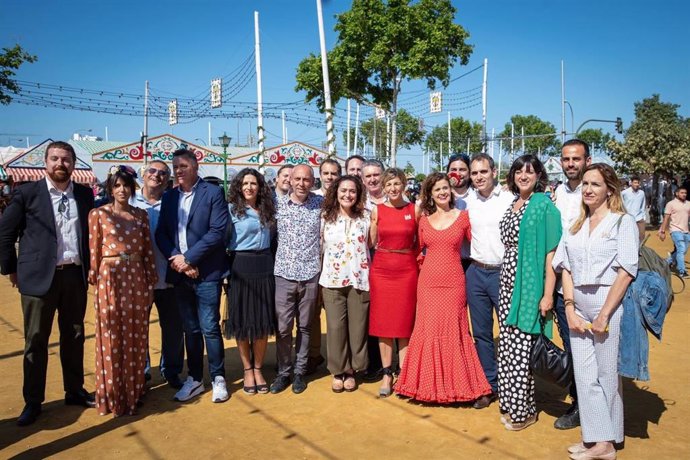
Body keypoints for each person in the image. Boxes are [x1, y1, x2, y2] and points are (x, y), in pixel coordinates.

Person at [0, 141, 96, 426]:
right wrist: (11, 270)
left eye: (66, 160)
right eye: (54, 158)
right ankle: (33, 401)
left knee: (74, 336)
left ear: (74, 164)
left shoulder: (84, 194)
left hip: (74, 276)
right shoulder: (27, 193)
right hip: (37, 278)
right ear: (45, 162)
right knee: (36, 340)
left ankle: (75, 390)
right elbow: (5, 234)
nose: (60, 164)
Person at [553, 163, 638, 460]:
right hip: (577, 304)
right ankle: (595, 438)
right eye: (586, 184)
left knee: (606, 375)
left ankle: (608, 441)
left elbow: (626, 271)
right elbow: (564, 266)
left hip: (607, 301)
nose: (588, 189)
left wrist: (604, 315)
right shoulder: (575, 225)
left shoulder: (621, 222)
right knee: (586, 374)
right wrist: (570, 308)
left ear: (609, 189)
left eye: (596, 185)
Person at [395, 172, 491, 403]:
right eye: (437, 189)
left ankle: (459, 386)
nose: (442, 192)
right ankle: (426, 386)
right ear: (430, 194)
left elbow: (476, 247)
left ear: (451, 190)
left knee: (454, 331)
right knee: (427, 329)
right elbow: (417, 250)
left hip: (454, 282)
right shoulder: (424, 220)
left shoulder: (463, 217)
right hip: (428, 284)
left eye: (445, 188)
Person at [156, 148, 230, 403]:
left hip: (207, 273)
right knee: (191, 329)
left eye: (183, 166)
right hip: (180, 275)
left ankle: (218, 377)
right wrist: (179, 261)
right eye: (175, 166)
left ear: (196, 167)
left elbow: (218, 231)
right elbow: (162, 235)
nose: (178, 171)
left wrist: (190, 259)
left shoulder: (213, 193)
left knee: (210, 327)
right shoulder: (168, 198)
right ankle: (195, 378)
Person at [497, 154, 561, 431]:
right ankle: (511, 403)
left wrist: (547, 294)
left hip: (530, 284)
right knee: (508, 346)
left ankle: (525, 411)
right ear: (512, 176)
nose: (524, 176)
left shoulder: (543, 205)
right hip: (508, 283)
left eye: (530, 171)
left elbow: (551, 253)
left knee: (523, 348)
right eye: (519, 171)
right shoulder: (513, 203)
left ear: (538, 176)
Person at [88, 166, 157, 416]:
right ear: (110, 188)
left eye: (126, 185)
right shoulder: (98, 214)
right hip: (110, 276)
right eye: (117, 185)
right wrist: (96, 278)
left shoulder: (140, 216)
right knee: (111, 333)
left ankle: (134, 390)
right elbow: (94, 250)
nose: (122, 190)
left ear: (132, 188)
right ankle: (111, 394)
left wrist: (150, 280)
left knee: (136, 334)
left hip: (137, 275)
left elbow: (148, 249)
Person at [464, 153, 514, 409]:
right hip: (475, 272)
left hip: (503, 273)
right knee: (482, 334)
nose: (479, 177)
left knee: (508, 333)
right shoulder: (467, 202)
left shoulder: (509, 199)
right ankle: (489, 385)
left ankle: (509, 388)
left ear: (494, 172)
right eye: (474, 173)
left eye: (483, 172)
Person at [131, 161, 185, 390]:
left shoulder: (174, 202)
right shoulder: (129, 201)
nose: (157, 176)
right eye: (152, 171)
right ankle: (141, 371)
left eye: (163, 173)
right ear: (143, 175)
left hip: (169, 276)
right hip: (139, 279)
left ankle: (171, 370)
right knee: (139, 327)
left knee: (173, 328)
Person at [270, 164, 323, 394]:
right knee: (283, 329)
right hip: (283, 274)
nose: (302, 183)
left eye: (307, 179)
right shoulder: (277, 205)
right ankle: (283, 372)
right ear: (289, 180)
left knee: (305, 327)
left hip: (311, 274)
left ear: (313, 182)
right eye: (297, 179)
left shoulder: (320, 204)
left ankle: (300, 372)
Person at [369, 168, 420, 397]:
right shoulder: (376, 211)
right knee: (384, 324)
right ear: (383, 187)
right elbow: (372, 242)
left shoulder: (414, 209)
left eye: (397, 184)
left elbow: (421, 240)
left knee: (404, 323)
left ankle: (405, 373)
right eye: (388, 185)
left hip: (407, 270)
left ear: (404, 185)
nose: (393, 189)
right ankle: (387, 373)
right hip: (382, 270)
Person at [552, 138, 592, 429]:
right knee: (570, 345)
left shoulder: (596, 192)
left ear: (587, 161)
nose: (570, 164)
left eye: (576, 159)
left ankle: (592, 407)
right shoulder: (558, 193)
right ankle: (580, 402)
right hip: (557, 284)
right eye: (566, 159)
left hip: (589, 286)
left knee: (590, 347)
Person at [225, 168, 277, 394]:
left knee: (262, 322)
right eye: (245, 183)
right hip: (241, 267)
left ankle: (258, 368)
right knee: (244, 323)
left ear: (260, 187)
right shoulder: (230, 211)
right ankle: (247, 370)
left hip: (265, 266)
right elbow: (223, 241)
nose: (249, 187)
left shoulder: (269, 209)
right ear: (239, 186)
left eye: (253, 183)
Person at [320, 175, 371, 392]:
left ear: (358, 194)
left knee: (358, 327)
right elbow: (320, 246)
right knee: (335, 327)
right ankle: (338, 370)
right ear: (336, 192)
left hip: (359, 279)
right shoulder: (325, 217)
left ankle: (353, 370)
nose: (347, 195)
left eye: (352, 191)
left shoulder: (366, 217)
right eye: (343, 190)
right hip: (332, 279)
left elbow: (372, 244)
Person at [307, 158, 342, 375]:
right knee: (311, 313)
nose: (330, 177)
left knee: (335, 314)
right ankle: (313, 354)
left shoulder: (345, 198)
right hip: (313, 262)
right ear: (320, 175)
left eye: (334, 173)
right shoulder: (312, 199)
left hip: (336, 265)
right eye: (326, 173)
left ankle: (337, 358)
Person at [360, 159, 386, 381]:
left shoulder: (399, 198)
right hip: (368, 261)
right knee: (373, 312)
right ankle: (375, 363)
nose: (372, 179)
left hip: (395, 261)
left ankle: (396, 362)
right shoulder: (358, 203)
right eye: (368, 176)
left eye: (376, 174)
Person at [447, 153, 474, 272]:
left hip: (471, 263)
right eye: (453, 169)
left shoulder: (478, 197)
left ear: (469, 172)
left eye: (462, 169)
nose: (457, 173)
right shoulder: (439, 198)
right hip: (447, 261)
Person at [659, 186, 690, 277]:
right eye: (682, 193)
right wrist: (662, 231)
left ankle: (667, 261)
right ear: (677, 193)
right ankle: (682, 271)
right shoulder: (670, 204)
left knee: (683, 250)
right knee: (681, 249)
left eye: (685, 193)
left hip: (686, 231)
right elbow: (666, 218)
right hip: (675, 230)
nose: (684, 194)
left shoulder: (688, 203)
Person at [621, 175, 646, 241]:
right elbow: (621, 205)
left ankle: (639, 250)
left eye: (638, 183)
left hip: (639, 218)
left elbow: (643, 205)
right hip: (628, 218)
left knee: (641, 236)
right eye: (635, 183)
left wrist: (644, 217)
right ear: (631, 183)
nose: (636, 184)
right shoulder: (624, 193)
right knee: (629, 237)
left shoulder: (642, 193)